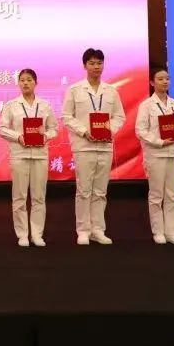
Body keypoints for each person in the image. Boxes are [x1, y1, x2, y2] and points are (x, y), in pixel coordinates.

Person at [62, 48, 125, 245]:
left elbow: (119, 116)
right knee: (84, 190)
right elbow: (67, 116)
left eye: (99, 63)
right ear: (85, 66)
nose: (96, 67)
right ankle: (83, 230)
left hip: (105, 146)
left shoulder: (111, 90)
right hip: (84, 146)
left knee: (100, 191)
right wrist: (83, 131)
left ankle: (98, 229)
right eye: (92, 63)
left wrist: (109, 130)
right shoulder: (74, 90)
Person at [0, 68, 58, 247]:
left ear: (35, 83)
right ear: (18, 83)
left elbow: (54, 128)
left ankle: (37, 234)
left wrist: (45, 136)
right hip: (20, 154)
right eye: (22, 80)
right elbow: (1, 128)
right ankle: (22, 234)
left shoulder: (45, 105)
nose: (25, 83)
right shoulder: (11, 105)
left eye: (29, 79)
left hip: (40, 155)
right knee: (19, 196)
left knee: (39, 196)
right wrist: (18, 137)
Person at [135, 66, 174, 245]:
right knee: (156, 195)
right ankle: (158, 231)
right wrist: (158, 141)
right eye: (160, 79)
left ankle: (171, 232)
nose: (165, 81)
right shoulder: (146, 105)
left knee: (172, 194)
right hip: (156, 154)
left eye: (167, 78)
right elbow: (140, 130)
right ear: (152, 82)